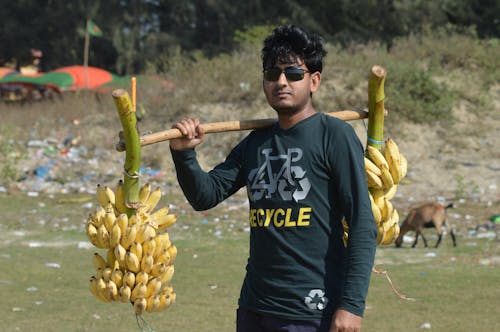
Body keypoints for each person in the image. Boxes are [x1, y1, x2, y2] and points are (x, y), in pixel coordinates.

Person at [169, 25, 377, 332]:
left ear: (314, 81)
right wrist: (184, 154)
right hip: (256, 306)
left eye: (293, 74)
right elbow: (206, 195)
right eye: (272, 73)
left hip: (312, 309)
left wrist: (351, 306)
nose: (281, 81)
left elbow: (362, 223)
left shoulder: (334, 135)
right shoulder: (256, 142)